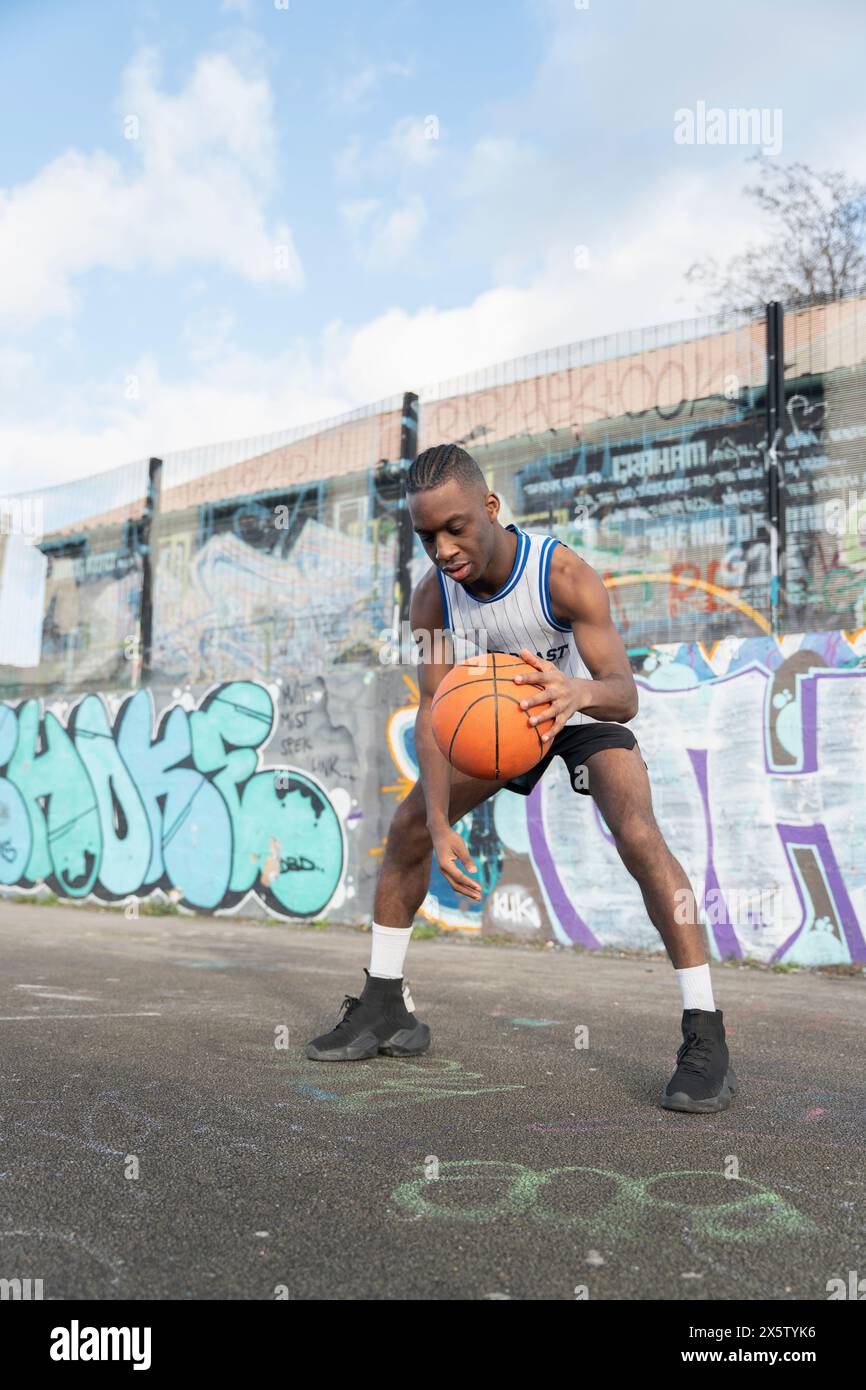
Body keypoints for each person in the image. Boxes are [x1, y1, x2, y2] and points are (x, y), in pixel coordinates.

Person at [306, 444, 738, 1113]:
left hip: (577, 704)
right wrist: (445, 823)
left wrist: (576, 691)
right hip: (500, 721)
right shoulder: (431, 601)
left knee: (637, 834)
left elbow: (625, 694)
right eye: (426, 537)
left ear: (489, 507)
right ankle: (386, 1004)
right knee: (409, 829)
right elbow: (432, 710)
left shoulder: (561, 574)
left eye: (456, 528)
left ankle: (706, 1033)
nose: (443, 548)